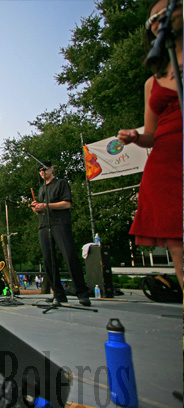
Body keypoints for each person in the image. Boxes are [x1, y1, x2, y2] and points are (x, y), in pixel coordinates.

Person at [118, 0, 183, 289]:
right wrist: (135, 136)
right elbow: (151, 135)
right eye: (154, 16)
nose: (160, 18)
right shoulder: (152, 81)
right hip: (165, 163)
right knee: (177, 240)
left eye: (167, 10)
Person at [30, 161, 91, 306]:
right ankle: (58, 293)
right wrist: (37, 208)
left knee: (69, 256)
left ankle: (82, 292)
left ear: (52, 168)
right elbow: (42, 207)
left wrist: (45, 205)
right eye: (40, 170)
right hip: (44, 225)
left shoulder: (61, 183)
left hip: (60, 224)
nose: (42, 172)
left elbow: (66, 203)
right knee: (48, 260)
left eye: (44, 169)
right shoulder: (41, 188)